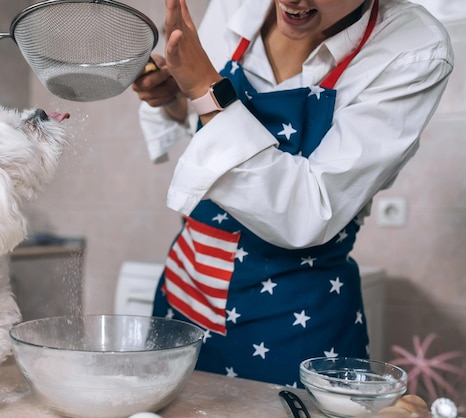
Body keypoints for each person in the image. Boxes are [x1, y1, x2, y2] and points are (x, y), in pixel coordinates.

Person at [132, 0, 453, 387]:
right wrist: (174, 96)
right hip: (187, 293)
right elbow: (202, 131)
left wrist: (204, 89)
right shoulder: (235, 6)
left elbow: (307, 211)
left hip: (298, 327)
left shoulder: (412, 46)